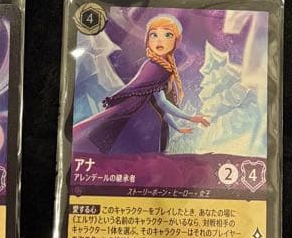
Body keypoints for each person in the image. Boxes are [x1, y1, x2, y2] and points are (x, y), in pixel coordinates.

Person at [73, 15, 210, 155]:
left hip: (145, 126)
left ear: (176, 40)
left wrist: (180, 126)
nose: (159, 40)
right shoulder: (154, 66)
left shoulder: (161, 67)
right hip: (139, 125)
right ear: (147, 39)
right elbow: (160, 104)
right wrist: (189, 119)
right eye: (154, 35)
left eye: (167, 35)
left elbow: (159, 105)